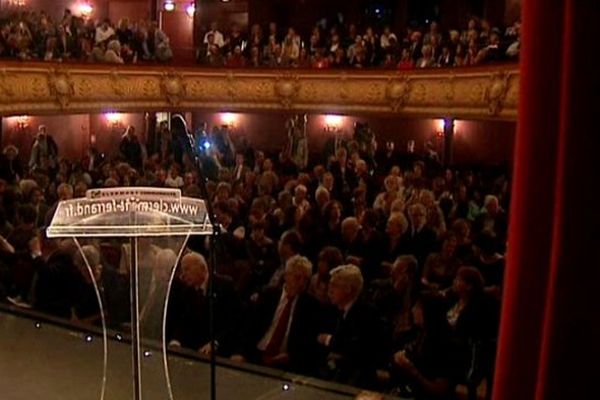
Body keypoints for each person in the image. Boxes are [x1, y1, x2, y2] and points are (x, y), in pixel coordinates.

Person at [232, 255, 321, 373]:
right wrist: (240, 352)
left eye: (305, 279)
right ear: (286, 276)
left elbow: (307, 342)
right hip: (257, 353)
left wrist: (290, 356)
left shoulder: (310, 306)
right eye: (298, 277)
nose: (301, 283)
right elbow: (248, 327)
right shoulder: (268, 296)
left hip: (285, 360)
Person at [317, 264, 383, 388]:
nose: (329, 290)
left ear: (348, 289)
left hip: (357, 379)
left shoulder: (367, 314)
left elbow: (359, 350)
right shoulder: (334, 310)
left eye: (334, 286)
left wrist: (328, 340)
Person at [167, 252, 242, 356]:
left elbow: (233, 323)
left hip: (219, 348)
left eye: (187, 269)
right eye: (182, 270)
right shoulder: (187, 292)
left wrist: (215, 343)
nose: (182, 275)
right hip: (195, 349)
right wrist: (176, 340)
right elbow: (184, 321)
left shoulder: (224, 287)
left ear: (202, 268)